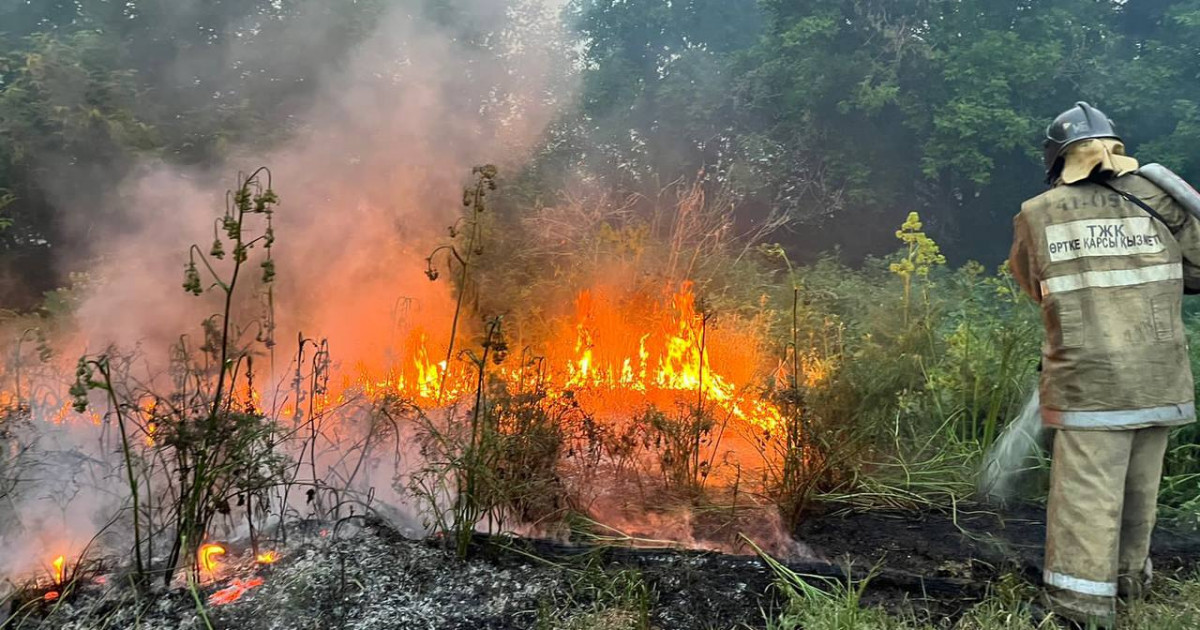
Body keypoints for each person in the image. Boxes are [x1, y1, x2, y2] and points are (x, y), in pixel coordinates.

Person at [1009, 101, 1200, 628]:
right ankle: (1129, 583)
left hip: (1089, 381)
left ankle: (1080, 607)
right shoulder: (1160, 197)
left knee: (1086, 496)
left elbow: (1032, 283)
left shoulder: (1038, 212)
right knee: (1140, 489)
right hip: (1159, 375)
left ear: (1057, 160)